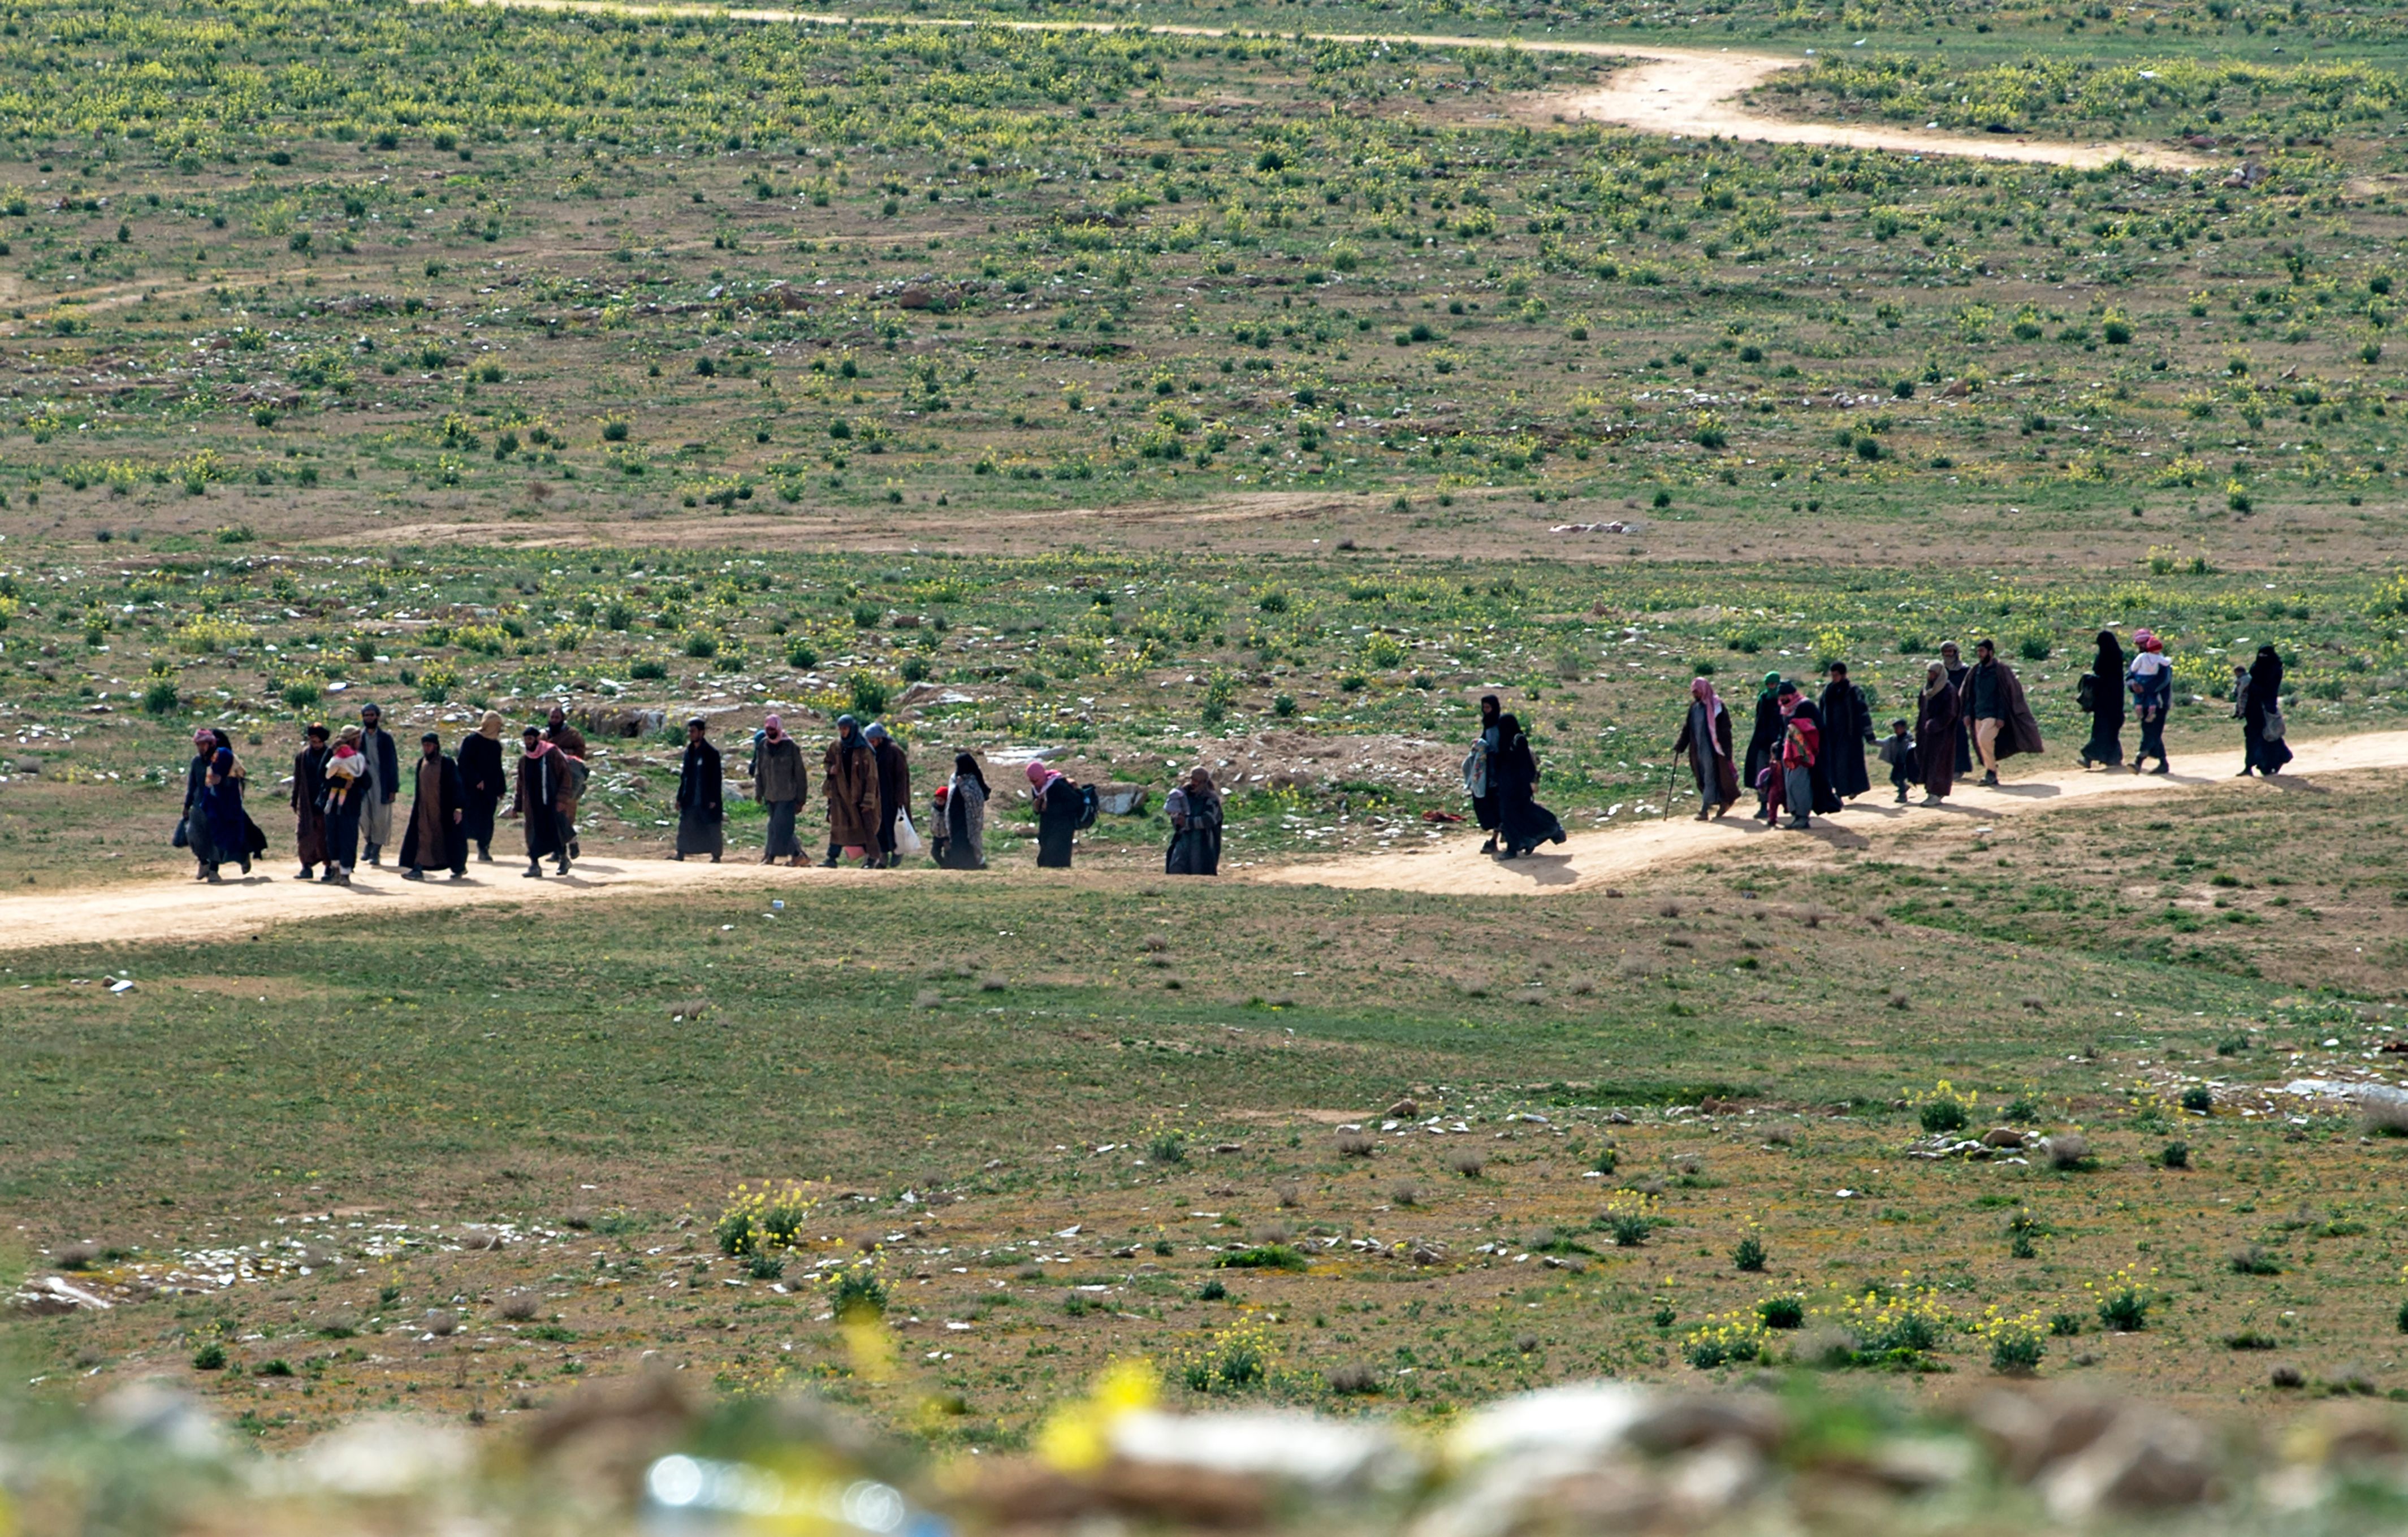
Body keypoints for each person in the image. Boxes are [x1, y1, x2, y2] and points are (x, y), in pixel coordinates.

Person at [1962, 638, 2044, 787]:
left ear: (1991, 652)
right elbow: (1970, 694)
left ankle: (1991, 771)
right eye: (1978, 651)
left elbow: (2005, 695)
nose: (1979, 654)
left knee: (1984, 740)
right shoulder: (1976, 671)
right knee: (1982, 744)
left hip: (1993, 715)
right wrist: (1967, 713)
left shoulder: (2000, 671)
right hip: (1978, 714)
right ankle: (1991, 772)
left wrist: (2001, 717)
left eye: (1982, 651)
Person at [1492, 713, 1566, 859]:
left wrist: (1525, 783)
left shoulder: (1519, 740)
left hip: (1518, 788)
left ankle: (1551, 828)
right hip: (1507, 788)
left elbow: (1526, 766)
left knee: (1520, 814)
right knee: (1511, 816)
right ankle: (1527, 841)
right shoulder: (1503, 742)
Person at [399, 731, 468, 881]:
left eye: (429, 745)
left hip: (442, 811)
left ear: (436, 746)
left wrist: (458, 808)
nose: (426, 748)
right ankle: (417, 868)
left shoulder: (447, 764)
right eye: (424, 745)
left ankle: (458, 867)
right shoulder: (420, 763)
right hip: (423, 811)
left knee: (447, 841)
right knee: (422, 838)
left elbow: (457, 786)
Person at [1671, 677, 1739, 820]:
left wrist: (1727, 752)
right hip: (1698, 749)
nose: (1696, 695)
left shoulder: (1717, 707)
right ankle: (1723, 801)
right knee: (1702, 776)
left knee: (1710, 776)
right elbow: (1688, 728)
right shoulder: (1694, 708)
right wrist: (1680, 745)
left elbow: (1726, 730)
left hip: (1714, 749)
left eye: (1698, 692)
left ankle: (1704, 810)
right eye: (1694, 693)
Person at [511, 726, 573, 878]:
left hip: (551, 801)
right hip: (533, 805)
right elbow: (521, 784)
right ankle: (534, 865)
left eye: (531, 739)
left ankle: (564, 860)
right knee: (533, 835)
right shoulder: (524, 760)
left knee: (556, 832)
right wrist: (517, 806)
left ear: (538, 739)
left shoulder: (552, 754)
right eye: (526, 740)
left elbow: (566, 776)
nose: (528, 743)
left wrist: (562, 799)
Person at [822, 715, 880, 868]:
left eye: (846, 729)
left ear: (852, 729)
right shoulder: (836, 746)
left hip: (859, 796)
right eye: (841, 729)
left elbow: (872, 776)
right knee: (838, 827)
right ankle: (831, 858)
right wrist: (830, 769)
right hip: (841, 794)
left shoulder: (864, 750)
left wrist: (868, 799)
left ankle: (871, 859)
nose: (843, 732)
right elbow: (827, 762)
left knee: (864, 829)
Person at [752, 714, 807, 866]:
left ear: (779, 728)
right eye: (767, 729)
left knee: (780, 828)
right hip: (770, 795)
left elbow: (800, 775)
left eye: (772, 729)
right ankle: (774, 857)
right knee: (774, 827)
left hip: (788, 796)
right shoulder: (763, 746)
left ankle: (793, 855)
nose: (770, 732)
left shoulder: (791, 747)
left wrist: (801, 799)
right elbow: (760, 772)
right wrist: (759, 792)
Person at [1818, 662, 1875, 802]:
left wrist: (1869, 734)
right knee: (1835, 763)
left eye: (1836, 675)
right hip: (1832, 734)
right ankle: (1840, 791)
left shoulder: (1853, 691)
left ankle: (1850, 790)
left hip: (1850, 734)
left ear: (1843, 675)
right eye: (1832, 675)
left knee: (1848, 762)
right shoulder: (1828, 691)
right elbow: (1821, 711)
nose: (1833, 678)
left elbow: (1863, 713)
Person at [320, 726, 370, 884]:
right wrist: (342, 783)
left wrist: (354, 786)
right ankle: (335, 870)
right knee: (333, 836)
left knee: (348, 837)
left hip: (351, 805)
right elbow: (322, 775)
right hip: (332, 803)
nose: (360, 742)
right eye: (358, 739)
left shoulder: (358, 758)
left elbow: (367, 781)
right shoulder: (332, 754)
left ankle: (346, 872)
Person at [458, 711, 507, 863]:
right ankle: (460, 851)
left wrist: (501, 788)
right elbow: (463, 762)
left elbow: (497, 767)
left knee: (487, 818)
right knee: (468, 817)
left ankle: (484, 848)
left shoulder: (495, 745)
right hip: (471, 789)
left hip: (489, 790)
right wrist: (476, 779)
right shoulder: (472, 741)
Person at [673, 717, 725, 861]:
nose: (691, 734)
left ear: (702, 733)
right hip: (690, 797)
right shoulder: (689, 752)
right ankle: (680, 853)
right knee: (685, 825)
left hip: (706, 797)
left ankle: (716, 856)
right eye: (689, 731)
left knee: (712, 826)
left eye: (693, 731)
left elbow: (716, 778)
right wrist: (679, 797)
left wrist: (714, 799)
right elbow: (684, 777)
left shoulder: (711, 753)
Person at [544, 705, 590, 858]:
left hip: (568, 781)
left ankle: (566, 846)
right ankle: (559, 849)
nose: (554, 720)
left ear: (563, 719)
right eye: (552, 717)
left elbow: (580, 754)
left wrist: (563, 754)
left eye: (557, 717)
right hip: (551, 780)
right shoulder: (544, 735)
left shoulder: (573, 735)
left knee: (565, 816)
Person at [2240, 644, 2292, 777]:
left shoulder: (2275, 669)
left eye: (2265, 655)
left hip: (2267, 708)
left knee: (2269, 737)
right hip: (2253, 708)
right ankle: (2249, 766)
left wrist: (2253, 687)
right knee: (2252, 737)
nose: (2262, 658)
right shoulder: (2256, 666)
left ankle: (2273, 762)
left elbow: (2269, 688)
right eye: (2260, 655)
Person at [357, 702, 399, 866]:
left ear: (378, 717)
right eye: (366, 715)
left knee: (380, 818)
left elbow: (392, 764)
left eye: (371, 715)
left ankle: (376, 851)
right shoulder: (359, 738)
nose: (369, 718)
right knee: (363, 817)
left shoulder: (385, 738)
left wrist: (393, 788)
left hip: (381, 784)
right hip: (363, 783)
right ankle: (368, 842)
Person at [2126, 629, 2173, 776]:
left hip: (2158, 703)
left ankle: (2138, 761)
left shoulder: (2161, 661)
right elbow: (2130, 675)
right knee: (2151, 731)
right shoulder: (2140, 659)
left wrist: (2145, 688)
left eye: (2142, 643)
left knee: (2152, 731)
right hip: (2142, 702)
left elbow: (2164, 681)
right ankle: (2163, 763)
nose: (2140, 646)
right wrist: (2133, 684)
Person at [2078, 630, 2127, 770]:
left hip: (2106, 701)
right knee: (2111, 730)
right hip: (2114, 700)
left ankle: (2088, 756)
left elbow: (2102, 675)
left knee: (2102, 730)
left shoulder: (2106, 657)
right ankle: (2114, 758)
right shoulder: (2116, 656)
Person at [1913, 662, 1960, 804]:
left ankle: (1937, 792)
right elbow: (1922, 708)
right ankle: (1930, 790)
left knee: (1939, 762)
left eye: (1933, 673)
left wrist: (1936, 724)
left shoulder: (1948, 690)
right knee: (1926, 760)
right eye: (1929, 672)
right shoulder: (1927, 689)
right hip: (1926, 733)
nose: (1931, 676)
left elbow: (1950, 712)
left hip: (1942, 734)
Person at [867, 722, 911, 868]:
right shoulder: (871, 753)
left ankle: (898, 852)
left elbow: (901, 777)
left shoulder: (894, 751)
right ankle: (883, 858)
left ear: (880, 739)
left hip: (892, 797)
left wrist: (900, 799)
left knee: (894, 827)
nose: (871, 743)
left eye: (873, 740)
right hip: (877, 798)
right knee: (879, 829)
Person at [1165, 767, 1224, 876]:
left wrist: (1187, 822)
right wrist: (1177, 819)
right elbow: (1175, 812)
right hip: (1184, 839)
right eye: (1192, 779)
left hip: (1203, 842)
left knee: (1199, 871)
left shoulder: (1211, 799)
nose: (1193, 783)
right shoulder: (1184, 795)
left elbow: (1209, 820)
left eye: (1197, 781)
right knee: (1176, 868)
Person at [291, 724, 331, 880]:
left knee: (324, 836)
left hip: (324, 802)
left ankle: (328, 868)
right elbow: (298, 779)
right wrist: (295, 800)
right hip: (307, 802)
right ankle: (306, 867)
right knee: (304, 835)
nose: (315, 745)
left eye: (317, 742)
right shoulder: (302, 756)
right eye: (312, 741)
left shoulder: (330, 755)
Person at [1742, 671, 1785, 817]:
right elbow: (1759, 720)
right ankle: (1763, 806)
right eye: (1768, 684)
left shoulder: (1784, 699)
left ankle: (1787, 805)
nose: (1771, 687)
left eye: (1773, 684)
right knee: (1762, 775)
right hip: (1763, 743)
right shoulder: (1763, 699)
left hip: (1780, 744)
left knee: (1781, 776)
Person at [1465, 695, 1503, 855]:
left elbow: (1497, 748)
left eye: (1489, 708)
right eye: (1484, 708)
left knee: (1496, 805)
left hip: (1497, 774)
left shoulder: (1500, 726)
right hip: (1488, 773)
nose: (1486, 711)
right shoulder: (1488, 725)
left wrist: (1485, 748)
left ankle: (1495, 839)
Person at [1779, 689, 1821, 830]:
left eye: (1785, 694)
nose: (1783, 697)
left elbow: (1815, 728)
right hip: (1789, 752)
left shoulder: (1804, 706)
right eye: (1781, 695)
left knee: (1800, 784)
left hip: (1803, 753)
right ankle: (1796, 815)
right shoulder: (1785, 709)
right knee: (1790, 784)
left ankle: (1803, 817)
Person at [1028, 760, 1081, 868]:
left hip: (1063, 825)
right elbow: (1039, 809)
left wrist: (1051, 807)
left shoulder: (1057, 785)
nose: (1034, 783)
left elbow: (1075, 802)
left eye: (1036, 780)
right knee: (1045, 850)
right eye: (1031, 781)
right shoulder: (1037, 789)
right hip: (1047, 825)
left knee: (1059, 855)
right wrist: (1037, 807)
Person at [940, 753, 989, 870]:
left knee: (966, 842)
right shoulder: (954, 778)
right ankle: (957, 865)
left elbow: (976, 799)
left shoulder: (972, 780)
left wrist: (962, 785)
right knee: (956, 842)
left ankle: (972, 866)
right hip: (954, 817)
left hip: (968, 820)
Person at [1938, 642, 1974, 779]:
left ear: (1956, 652)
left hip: (1959, 708)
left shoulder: (1964, 670)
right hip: (1942, 708)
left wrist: (1967, 711)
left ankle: (1959, 768)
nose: (1948, 654)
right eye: (1945, 652)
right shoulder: (1939, 670)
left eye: (1951, 651)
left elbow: (1969, 692)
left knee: (1959, 738)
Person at [1878, 718, 1915, 804]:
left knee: (1901, 779)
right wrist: (1872, 740)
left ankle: (1902, 796)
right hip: (1897, 763)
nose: (1896, 730)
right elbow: (1882, 742)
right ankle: (1904, 788)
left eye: (1898, 728)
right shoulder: (1893, 739)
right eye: (1895, 728)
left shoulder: (1910, 740)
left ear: (1904, 728)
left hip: (1905, 764)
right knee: (1893, 778)